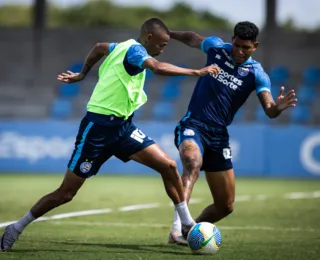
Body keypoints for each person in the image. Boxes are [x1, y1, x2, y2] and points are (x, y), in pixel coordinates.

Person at [0, 18, 221, 251]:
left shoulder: (122, 46)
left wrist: (83, 73)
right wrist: (197, 71)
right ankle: (16, 228)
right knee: (65, 194)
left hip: (123, 129)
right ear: (149, 38)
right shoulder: (136, 51)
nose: (163, 48)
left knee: (168, 166)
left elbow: (99, 47)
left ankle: (186, 224)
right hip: (97, 130)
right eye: (162, 44)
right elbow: (157, 68)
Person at [167, 21, 298, 245]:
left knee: (225, 206)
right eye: (237, 45)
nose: (239, 51)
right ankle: (178, 228)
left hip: (219, 136)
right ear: (232, 40)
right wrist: (169, 33)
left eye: (245, 48)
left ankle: (191, 233)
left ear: (254, 46)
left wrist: (277, 108)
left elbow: (269, 110)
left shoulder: (257, 74)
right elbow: (192, 37)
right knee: (191, 161)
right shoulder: (216, 48)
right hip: (194, 124)